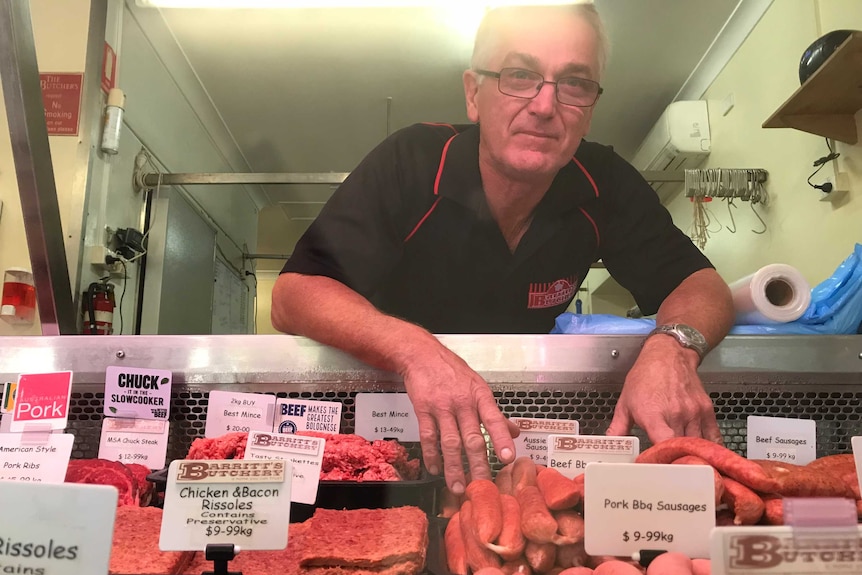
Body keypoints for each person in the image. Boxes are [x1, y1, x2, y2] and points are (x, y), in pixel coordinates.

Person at [272, 3, 734, 494]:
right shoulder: (411, 162)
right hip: (386, 425)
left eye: (574, 83)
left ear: (591, 106)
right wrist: (416, 351)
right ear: (474, 93)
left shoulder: (606, 183)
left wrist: (674, 347)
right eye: (520, 74)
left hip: (524, 434)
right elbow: (293, 295)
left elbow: (701, 284)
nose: (543, 105)